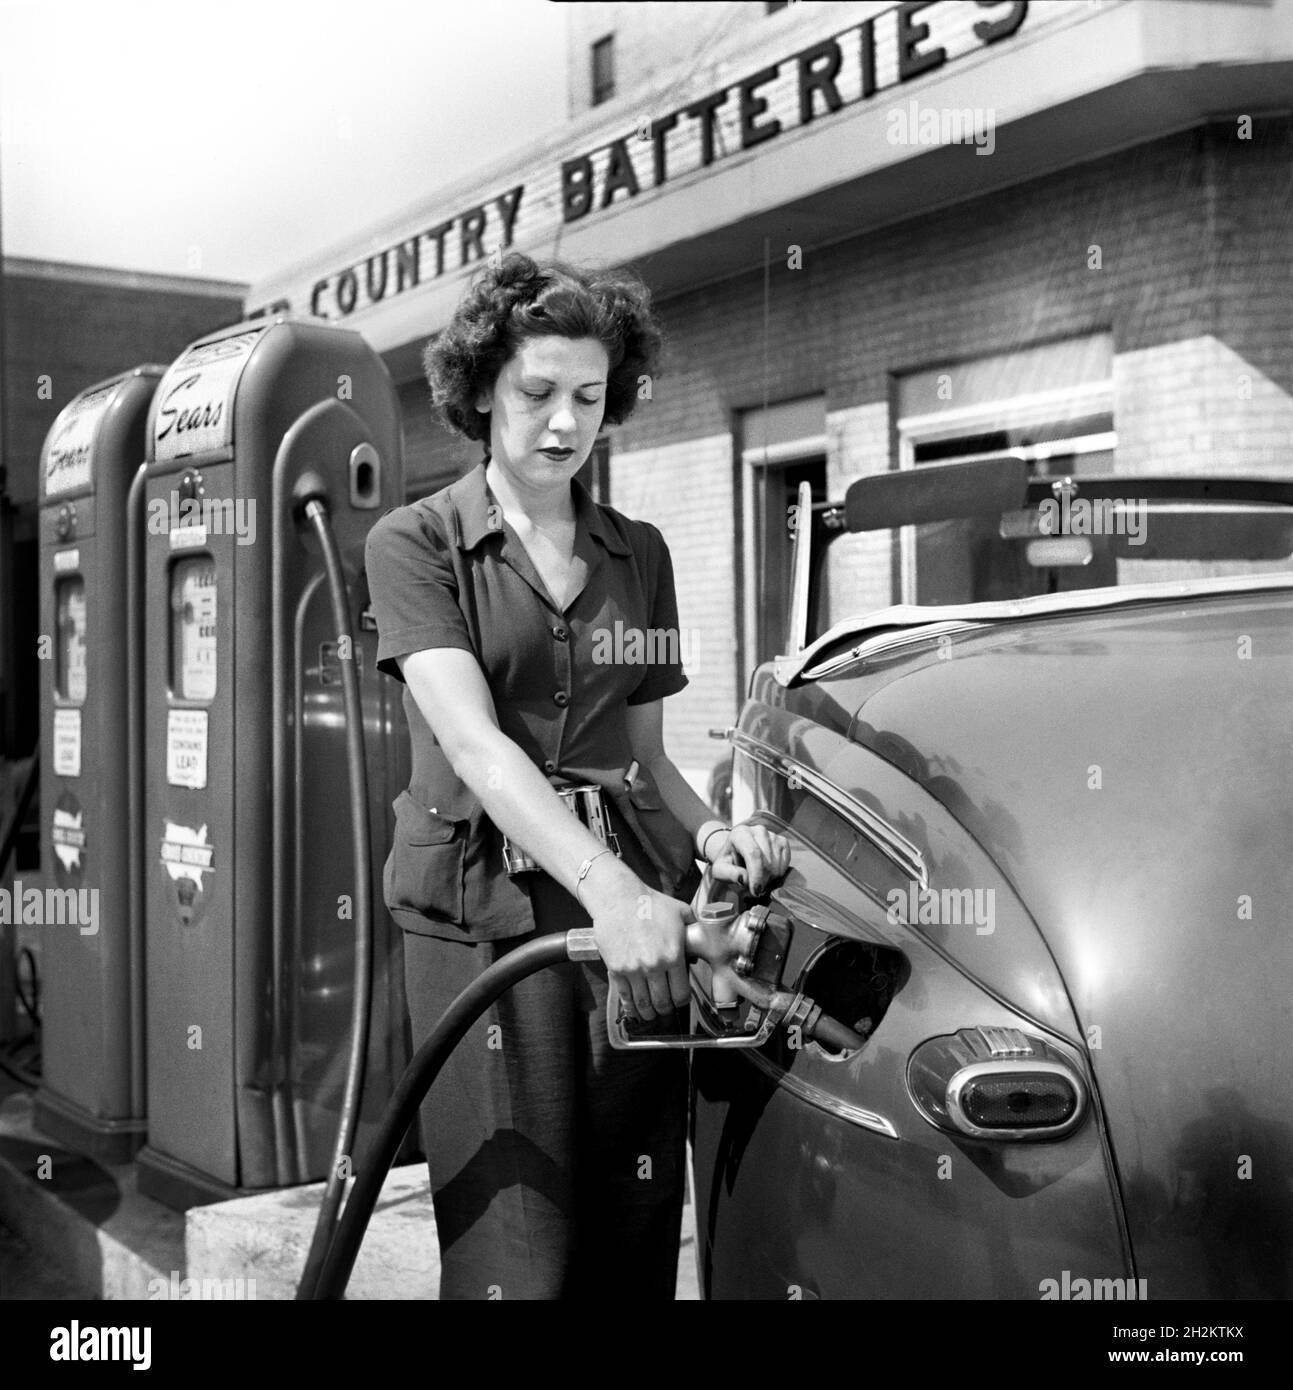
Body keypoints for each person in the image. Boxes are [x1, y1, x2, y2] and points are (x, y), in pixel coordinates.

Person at [364, 251, 791, 1300]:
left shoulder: (638, 553)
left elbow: (642, 760)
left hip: (632, 928)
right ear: (479, 392)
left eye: (589, 397)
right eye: (537, 392)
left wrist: (708, 839)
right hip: (484, 923)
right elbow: (475, 744)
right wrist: (613, 889)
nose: (564, 422)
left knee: (635, 1233)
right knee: (523, 1254)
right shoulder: (417, 543)